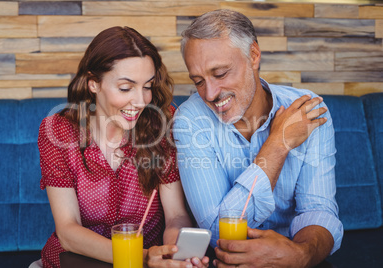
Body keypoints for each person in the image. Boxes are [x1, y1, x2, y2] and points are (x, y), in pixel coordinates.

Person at [173, 9, 343, 268]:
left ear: (253, 55)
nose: (209, 94)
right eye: (198, 81)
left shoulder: (307, 110)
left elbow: (317, 209)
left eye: (220, 74)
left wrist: (301, 254)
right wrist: (278, 144)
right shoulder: (189, 120)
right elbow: (220, 232)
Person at [37, 26, 209, 268]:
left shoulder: (163, 124)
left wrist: (172, 251)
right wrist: (143, 257)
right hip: (78, 262)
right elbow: (67, 230)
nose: (141, 101)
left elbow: (176, 215)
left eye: (147, 86)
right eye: (126, 88)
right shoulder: (58, 130)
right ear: (93, 83)